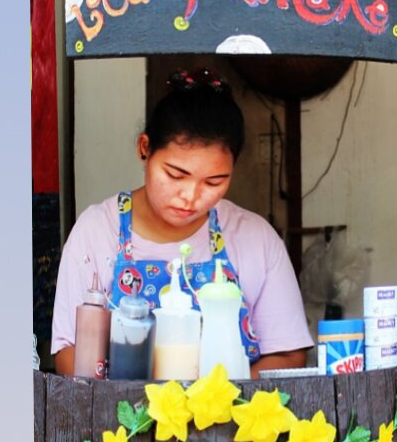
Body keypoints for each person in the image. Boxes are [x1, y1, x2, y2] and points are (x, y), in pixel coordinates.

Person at [52, 70, 312, 377]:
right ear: (145, 148)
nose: (191, 197)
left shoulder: (255, 238)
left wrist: (213, 397)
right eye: (175, 175)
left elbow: (287, 355)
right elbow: (69, 353)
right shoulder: (96, 231)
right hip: (120, 410)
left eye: (214, 182)